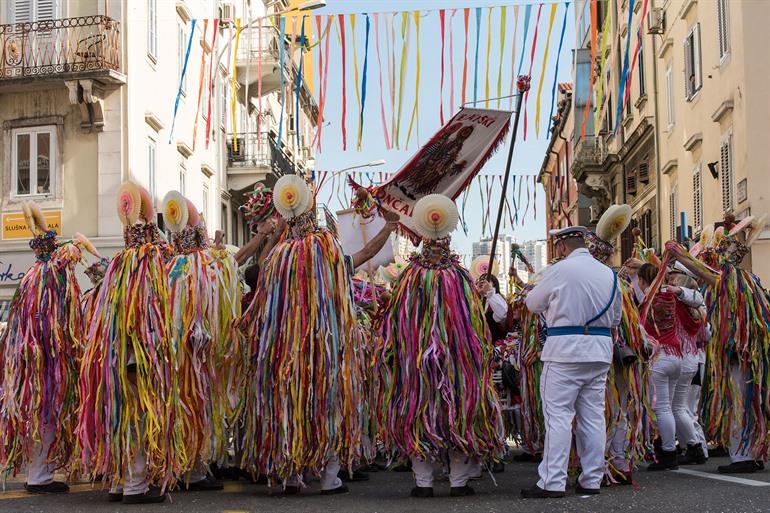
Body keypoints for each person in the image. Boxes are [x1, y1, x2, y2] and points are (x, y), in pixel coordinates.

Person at [379, 194, 504, 498]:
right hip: (456, 363)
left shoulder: (409, 277)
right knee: (457, 411)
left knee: (419, 411)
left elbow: (394, 319)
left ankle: (423, 483)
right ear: (447, 239)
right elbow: (475, 324)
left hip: (417, 362)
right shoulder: (459, 276)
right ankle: (458, 481)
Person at [78, 181, 177, 504]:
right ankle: (135, 485)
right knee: (137, 416)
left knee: (119, 414)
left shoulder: (119, 265)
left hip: (114, 355)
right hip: (137, 355)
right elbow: (146, 310)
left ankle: (119, 484)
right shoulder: (146, 264)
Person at [521, 226, 621, 498]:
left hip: (564, 351)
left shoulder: (559, 270)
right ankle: (591, 479)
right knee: (593, 417)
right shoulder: (609, 274)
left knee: (559, 417)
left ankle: (552, 481)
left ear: (563, 247)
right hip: (599, 351)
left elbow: (532, 303)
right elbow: (615, 319)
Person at [669, 215, 770, 474]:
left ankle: (743, 456)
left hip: (740, 352)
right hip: (750, 353)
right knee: (750, 402)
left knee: (740, 402)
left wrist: (680, 255)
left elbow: (705, 275)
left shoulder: (732, 279)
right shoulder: (750, 279)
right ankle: (753, 452)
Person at [0, 204, 86, 494]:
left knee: (36, 414)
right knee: (46, 415)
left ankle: (38, 474)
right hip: (47, 360)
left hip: (31, 360)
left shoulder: (30, 277)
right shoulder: (54, 277)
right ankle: (39, 477)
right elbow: (61, 321)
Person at [636, 263, 704, 471]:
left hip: (660, 357)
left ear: (641, 280)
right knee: (676, 407)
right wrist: (678, 289)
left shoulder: (646, 298)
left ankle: (669, 453)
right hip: (678, 356)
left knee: (663, 408)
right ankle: (694, 447)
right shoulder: (672, 296)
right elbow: (698, 299)